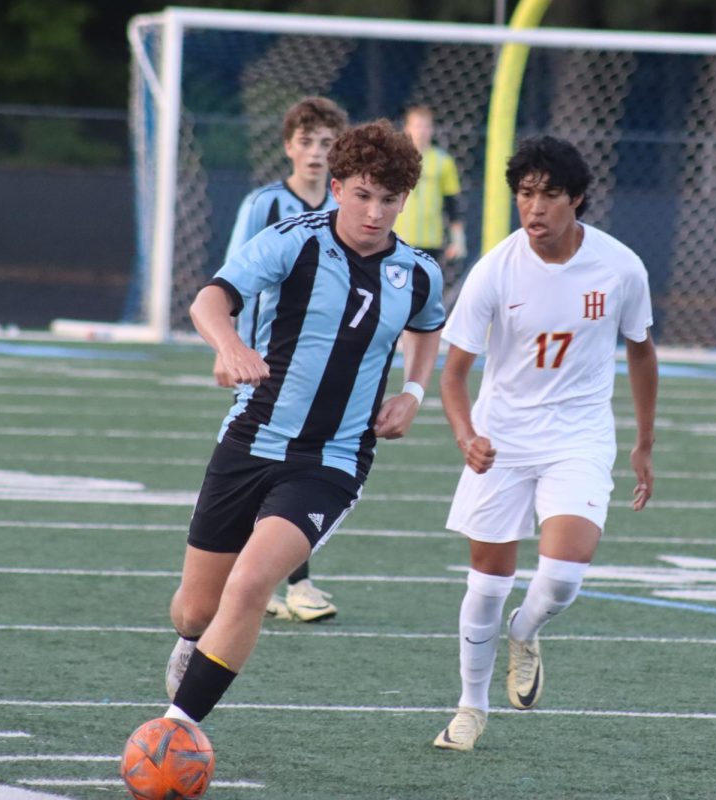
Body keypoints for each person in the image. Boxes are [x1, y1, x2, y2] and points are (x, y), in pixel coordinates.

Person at [155, 120, 443, 729]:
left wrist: (414, 393)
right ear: (338, 187)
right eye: (362, 195)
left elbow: (428, 325)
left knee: (253, 584)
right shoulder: (292, 240)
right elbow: (210, 299)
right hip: (250, 438)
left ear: (403, 201)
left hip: (332, 460)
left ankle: (176, 730)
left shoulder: (417, 271)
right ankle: (191, 645)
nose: (374, 212)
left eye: (388, 200)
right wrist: (229, 346)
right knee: (194, 610)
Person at [431, 136, 658, 751]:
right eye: (524, 194)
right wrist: (466, 435)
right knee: (486, 582)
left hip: (579, 437)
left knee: (560, 580)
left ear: (576, 199)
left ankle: (525, 632)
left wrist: (643, 441)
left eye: (549, 195)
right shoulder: (495, 269)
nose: (534, 208)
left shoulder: (620, 267)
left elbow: (640, 351)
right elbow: (452, 375)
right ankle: (470, 708)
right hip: (501, 440)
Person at [216, 95, 349, 624]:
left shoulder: (346, 210)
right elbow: (232, 280)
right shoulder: (265, 205)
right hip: (266, 362)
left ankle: (289, 580)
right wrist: (231, 348)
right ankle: (283, 580)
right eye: (307, 141)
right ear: (288, 146)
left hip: (322, 365)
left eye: (326, 143)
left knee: (306, 466)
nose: (316, 153)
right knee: (268, 466)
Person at [394, 105, 466, 276]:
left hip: (431, 242)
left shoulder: (443, 161)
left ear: (432, 129)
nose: (422, 131)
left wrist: (458, 240)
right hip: (398, 239)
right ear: (407, 128)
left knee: (425, 292)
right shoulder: (395, 160)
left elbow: (452, 204)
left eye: (426, 126)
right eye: (417, 126)